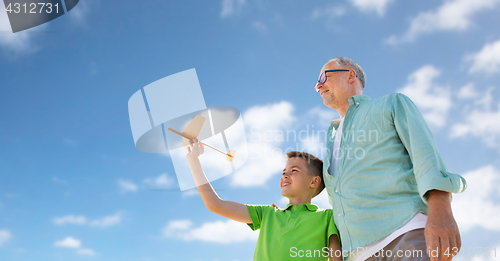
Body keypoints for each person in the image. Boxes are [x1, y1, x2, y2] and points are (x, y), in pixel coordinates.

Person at [314, 57, 467, 261]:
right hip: (356, 254)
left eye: (324, 76)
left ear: (350, 75)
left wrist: (441, 210)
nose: (318, 85)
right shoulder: (331, 137)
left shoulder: (391, 104)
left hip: (404, 235)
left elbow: (425, 154)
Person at [185, 139, 342, 261]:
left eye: (294, 171)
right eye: (283, 172)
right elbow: (215, 204)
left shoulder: (327, 217)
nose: (285, 175)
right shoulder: (267, 214)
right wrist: (193, 160)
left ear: (314, 182)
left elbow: (336, 256)